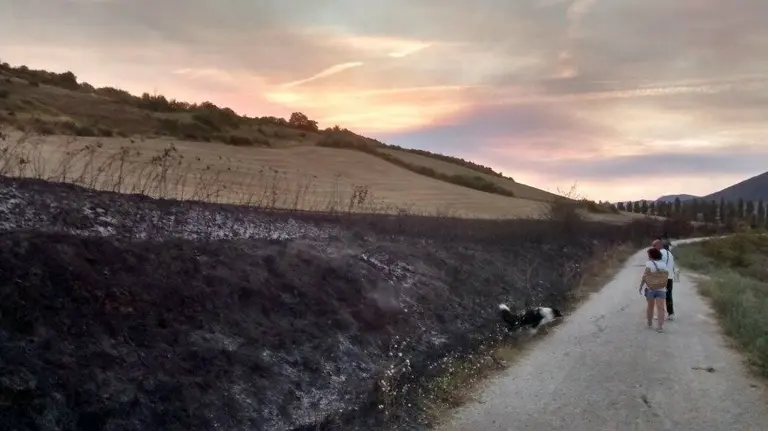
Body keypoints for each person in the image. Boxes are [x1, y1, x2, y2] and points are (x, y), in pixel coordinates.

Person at [639, 247, 669, 332]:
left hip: (651, 289)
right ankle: (660, 327)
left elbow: (645, 276)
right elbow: (666, 276)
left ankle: (649, 323)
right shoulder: (663, 264)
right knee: (661, 308)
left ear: (651, 255)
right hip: (661, 289)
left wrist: (641, 286)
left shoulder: (649, 264)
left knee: (650, 306)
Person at [653, 239, 676, 320]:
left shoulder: (659, 253)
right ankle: (671, 314)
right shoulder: (670, 254)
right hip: (669, 277)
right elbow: (673, 267)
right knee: (669, 296)